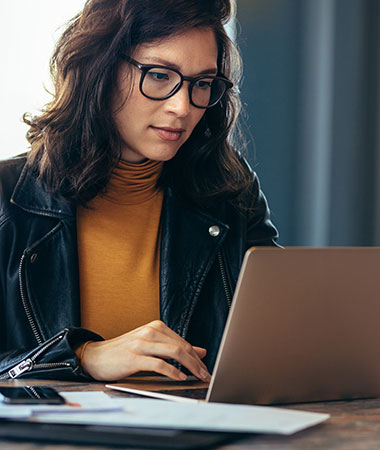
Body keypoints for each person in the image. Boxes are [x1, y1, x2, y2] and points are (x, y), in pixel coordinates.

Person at [0, 0, 278, 383]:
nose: (182, 107)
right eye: (160, 75)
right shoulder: (7, 198)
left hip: (197, 435)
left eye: (201, 83)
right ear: (100, 69)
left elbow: (284, 336)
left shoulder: (230, 193)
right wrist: (83, 356)